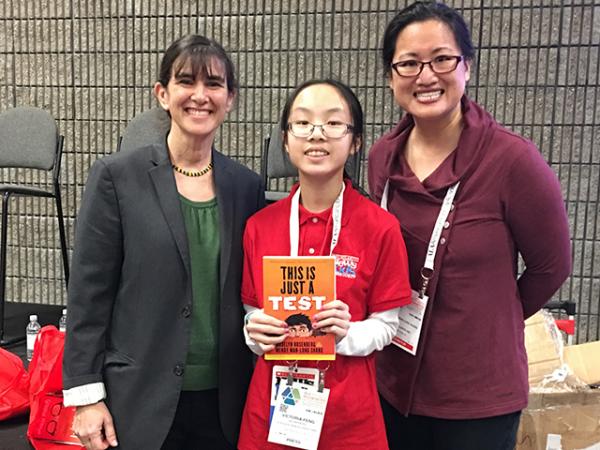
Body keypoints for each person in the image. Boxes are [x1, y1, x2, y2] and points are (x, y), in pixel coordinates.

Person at [368, 3, 572, 450]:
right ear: (391, 76)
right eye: (408, 63)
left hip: (478, 395)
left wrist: (492, 318)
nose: (426, 76)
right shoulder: (382, 157)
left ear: (468, 67)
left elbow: (551, 266)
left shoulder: (513, 161)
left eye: (442, 59)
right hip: (394, 381)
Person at [62, 34, 265, 450]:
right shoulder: (117, 177)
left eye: (214, 84)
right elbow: (89, 293)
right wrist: (86, 397)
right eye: (186, 81)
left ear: (230, 99)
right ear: (162, 93)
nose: (199, 95)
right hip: (140, 399)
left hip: (226, 400)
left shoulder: (246, 187)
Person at [238, 79, 412, 450]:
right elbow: (251, 314)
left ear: (356, 140)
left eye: (334, 124)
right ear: (286, 140)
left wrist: (347, 333)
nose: (317, 134)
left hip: (350, 419)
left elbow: (387, 327)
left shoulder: (381, 228)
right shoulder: (259, 226)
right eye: (302, 123)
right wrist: (255, 332)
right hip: (273, 414)